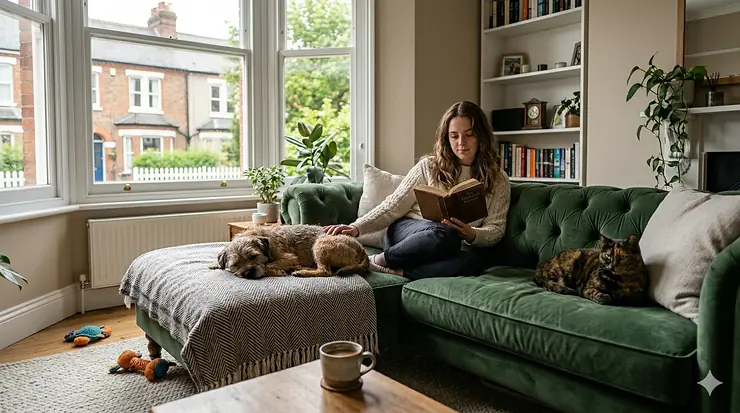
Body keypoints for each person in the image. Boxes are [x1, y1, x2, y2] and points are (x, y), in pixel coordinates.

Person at [324, 101, 511, 280]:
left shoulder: (498, 179)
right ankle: (376, 260)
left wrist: (472, 234)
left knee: (473, 263)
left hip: (449, 245)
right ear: (447, 138)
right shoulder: (428, 166)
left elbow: (495, 229)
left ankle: (399, 272)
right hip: (408, 233)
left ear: (482, 136)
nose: (461, 142)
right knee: (446, 233)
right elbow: (393, 205)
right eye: (454, 136)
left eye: (469, 134)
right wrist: (357, 227)